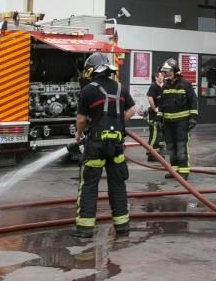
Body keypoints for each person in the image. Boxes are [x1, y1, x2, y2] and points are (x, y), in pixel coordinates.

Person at [71, 52, 136, 239]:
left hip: (96, 146)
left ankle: (84, 228)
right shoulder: (120, 88)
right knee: (117, 185)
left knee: (89, 185)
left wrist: (78, 135)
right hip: (117, 145)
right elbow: (132, 109)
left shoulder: (88, 90)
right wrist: (118, 121)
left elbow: (81, 119)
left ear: (92, 70)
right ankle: (122, 227)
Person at [157, 58, 199, 180]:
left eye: (168, 71)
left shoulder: (185, 84)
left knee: (181, 146)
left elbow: (193, 102)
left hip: (182, 123)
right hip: (168, 123)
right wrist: (159, 119)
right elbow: (162, 104)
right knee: (171, 147)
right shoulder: (165, 86)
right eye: (164, 72)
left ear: (175, 71)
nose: (165, 74)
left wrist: (193, 118)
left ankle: (184, 171)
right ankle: (174, 171)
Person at [145, 71, 167, 162]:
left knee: (161, 134)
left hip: (162, 114)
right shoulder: (153, 86)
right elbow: (150, 98)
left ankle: (159, 153)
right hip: (154, 115)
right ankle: (151, 153)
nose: (162, 77)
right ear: (156, 78)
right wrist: (155, 109)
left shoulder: (164, 86)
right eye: (160, 76)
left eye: (162, 76)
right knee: (154, 134)